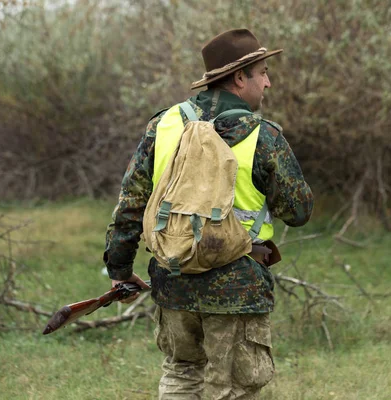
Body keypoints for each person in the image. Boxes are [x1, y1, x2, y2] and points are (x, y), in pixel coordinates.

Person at [104, 28, 314, 399]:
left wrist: (120, 271)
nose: (268, 82)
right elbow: (297, 212)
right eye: (262, 72)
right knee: (232, 387)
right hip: (237, 286)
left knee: (181, 375)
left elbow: (131, 205)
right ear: (239, 78)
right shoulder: (263, 136)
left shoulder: (163, 125)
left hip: (174, 280)